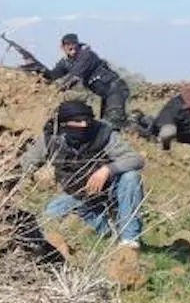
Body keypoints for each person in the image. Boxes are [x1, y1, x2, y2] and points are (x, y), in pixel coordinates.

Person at [17, 99, 145, 250]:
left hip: (110, 193)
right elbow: (25, 165)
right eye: (77, 121)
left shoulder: (103, 133)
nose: (84, 125)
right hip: (79, 196)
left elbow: (136, 159)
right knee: (50, 216)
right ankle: (107, 230)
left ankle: (129, 239)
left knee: (131, 177)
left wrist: (107, 170)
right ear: (64, 123)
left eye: (86, 120)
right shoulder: (50, 139)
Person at [46, 34, 130, 131]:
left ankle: (137, 127)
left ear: (78, 44)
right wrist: (38, 71)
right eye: (68, 44)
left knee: (113, 124)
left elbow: (75, 76)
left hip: (115, 90)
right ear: (62, 47)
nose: (71, 47)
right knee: (105, 125)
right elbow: (53, 75)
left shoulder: (87, 55)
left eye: (74, 43)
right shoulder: (67, 62)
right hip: (106, 96)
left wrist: (57, 88)